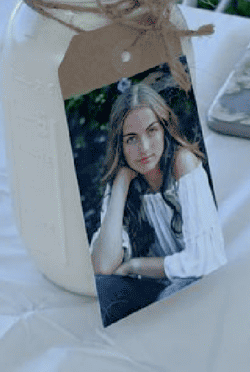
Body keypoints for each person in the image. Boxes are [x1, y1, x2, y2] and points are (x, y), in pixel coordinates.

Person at [90, 82, 226, 326]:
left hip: (195, 280)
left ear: (165, 129)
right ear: (120, 145)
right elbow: (103, 265)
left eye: (151, 131)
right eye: (131, 139)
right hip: (153, 288)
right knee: (104, 289)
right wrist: (121, 183)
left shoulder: (183, 164)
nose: (143, 148)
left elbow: (207, 259)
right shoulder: (123, 180)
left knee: (171, 302)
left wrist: (136, 265)